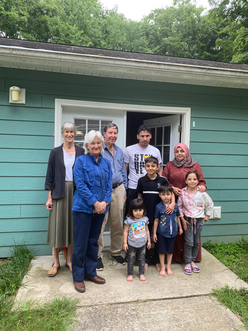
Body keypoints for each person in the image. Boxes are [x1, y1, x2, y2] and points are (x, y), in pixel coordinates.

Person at [72, 130, 112, 293]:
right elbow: (80, 185)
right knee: (81, 243)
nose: (96, 145)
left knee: (93, 242)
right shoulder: (80, 161)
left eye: (98, 142)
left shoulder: (106, 163)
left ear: (102, 144)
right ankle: (78, 277)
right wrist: (95, 203)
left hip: (100, 209)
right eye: (92, 143)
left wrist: (105, 203)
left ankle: (90, 272)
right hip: (83, 208)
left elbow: (109, 185)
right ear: (87, 145)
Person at [45, 121, 85, 277]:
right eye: (66, 131)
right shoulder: (55, 152)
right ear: (62, 133)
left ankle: (69, 261)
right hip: (59, 193)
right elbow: (50, 176)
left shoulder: (81, 151)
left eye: (72, 132)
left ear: (75, 134)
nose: (69, 134)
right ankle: (56, 262)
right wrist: (49, 197)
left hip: (76, 193)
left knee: (72, 227)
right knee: (57, 227)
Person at [162, 143, 207, 263]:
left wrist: (202, 187)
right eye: (177, 151)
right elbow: (163, 181)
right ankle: (177, 256)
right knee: (177, 228)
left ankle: (193, 257)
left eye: (182, 151)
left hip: (191, 203)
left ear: (186, 152)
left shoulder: (195, 165)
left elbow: (202, 182)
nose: (180, 153)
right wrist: (171, 188)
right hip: (174, 201)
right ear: (174, 153)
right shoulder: (170, 165)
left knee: (191, 229)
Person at [97, 123, 127, 270]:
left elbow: (123, 172)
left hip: (119, 189)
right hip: (103, 191)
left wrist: (125, 190)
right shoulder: (99, 151)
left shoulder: (119, 151)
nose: (113, 135)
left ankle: (115, 252)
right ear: (104, 133)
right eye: (110, 133)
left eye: (115, 133)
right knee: (100, 223)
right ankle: (97, 255)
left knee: (117, 222)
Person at [137, 156, 175, 271]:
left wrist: (172, 204)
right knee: (146, 236)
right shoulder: (142, 180)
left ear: (158, 166)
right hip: (146, 214)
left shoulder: (162, 180)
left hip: (161, 215)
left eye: (153, 166)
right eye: (148, 166)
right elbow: (139, 197)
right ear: (145, 167)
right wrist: (140, 211)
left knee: (159, 237)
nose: (150, 168)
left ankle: (158, 260)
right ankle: (147, 259)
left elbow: (171, 192)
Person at [177, 171, 213, 275]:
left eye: (194, 179)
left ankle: (193, 261)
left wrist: (207, 215)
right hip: (187, 220)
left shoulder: (202, 193)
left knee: (196, 241)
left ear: (198, 181)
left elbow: (210, 204)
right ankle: (187, 262)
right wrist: (182, 218)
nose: (192, 181)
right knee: (189, 241)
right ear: (186, 181)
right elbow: (179, 206)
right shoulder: (183, 192)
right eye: (189, 179)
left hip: (199, 220)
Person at [124, 125, 162, 214]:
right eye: (142, 136)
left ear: (151, 136)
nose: (145, 139)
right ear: (137, 136)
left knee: (149, 212)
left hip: (150, 187)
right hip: (133, 186)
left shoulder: (155, 151)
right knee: (132, 213)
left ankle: (148, 228)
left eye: (147, 136)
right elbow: (124, 171)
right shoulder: (129, 150)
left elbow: (159, 170)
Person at [153, 185, 183, 277]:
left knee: (170, 251)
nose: (166, 196)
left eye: (168, 194)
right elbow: (156, 220)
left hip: (172, 232)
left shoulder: (175, 206)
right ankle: (162, 267)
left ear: (171, 195)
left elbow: (177, 217)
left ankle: (168, 267)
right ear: (159, 195)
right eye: (163, 194)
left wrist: (180, 227)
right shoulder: (158, 207)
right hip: (162, 232)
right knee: (162, 251)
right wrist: (154, 233)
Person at [123, 199, 151, 282]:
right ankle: (130, 274)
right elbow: (125, 231)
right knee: (131, 260)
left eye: (140, 210)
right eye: (135, 210)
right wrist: (125, 243)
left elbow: (147, 230)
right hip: (132, 244)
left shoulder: (145, 219)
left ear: (143, 210)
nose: (138, 212)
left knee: (142, 259)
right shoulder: (129, 220)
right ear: (131, 210)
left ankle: (141, 273)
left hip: (142, 244)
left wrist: (149, 241)